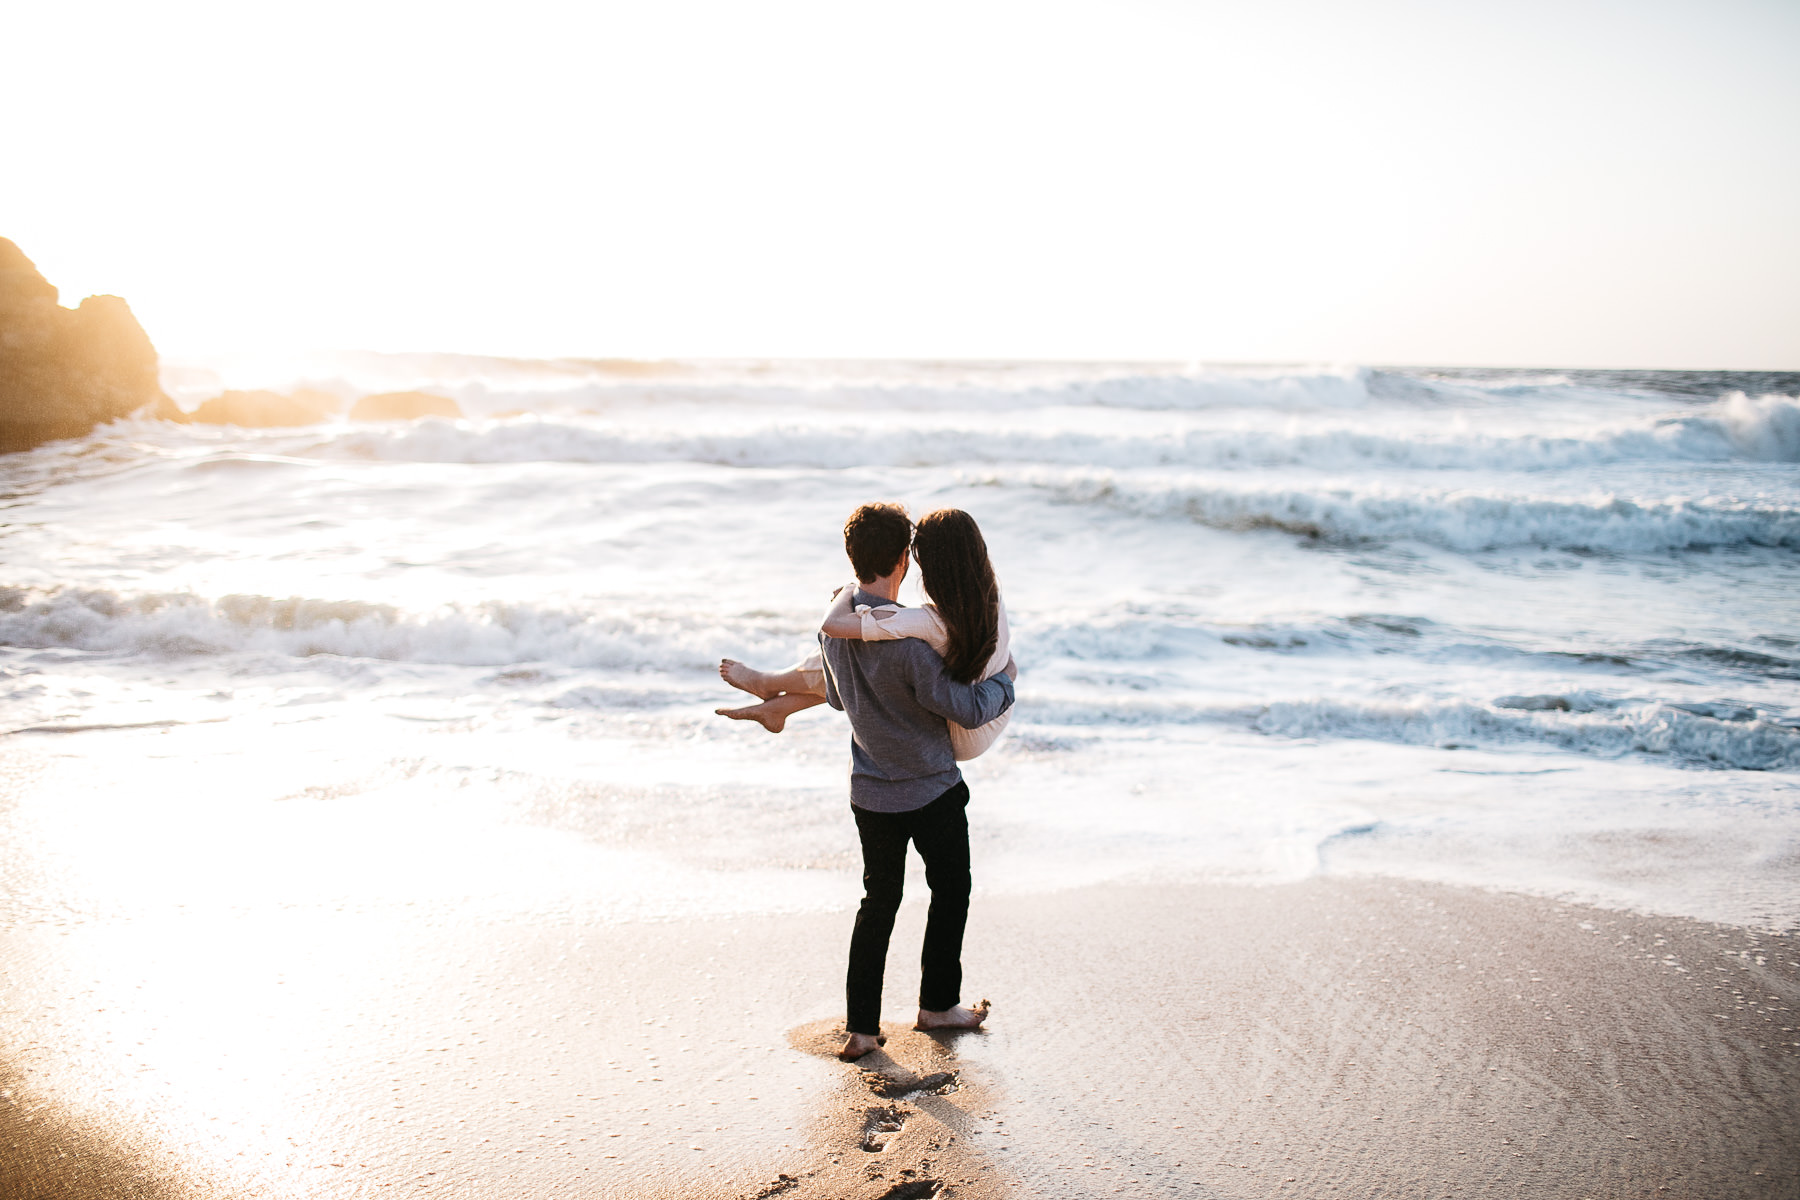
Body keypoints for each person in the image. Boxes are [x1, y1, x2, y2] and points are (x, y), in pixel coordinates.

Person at [775, 502, 1017, 1061]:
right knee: (950, 892)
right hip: (932, 789)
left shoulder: (836, 637)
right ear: (904, 561)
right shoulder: (909, 643)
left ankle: (861, 1027)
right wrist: (1005, 685)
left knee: (877, 904)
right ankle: (937, 1005)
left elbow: (836, 696)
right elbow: (964, 707)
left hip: (871, 794)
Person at [715, 509, 1013, 761]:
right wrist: (1008, 674)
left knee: (870, 645)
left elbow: (833, 625)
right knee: (880, 640)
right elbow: (1005, 659)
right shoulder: (990, 596)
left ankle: (771, 684)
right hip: (994, 718)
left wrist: (847, 592)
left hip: (960, 733)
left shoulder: (927, 620)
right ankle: (780, 705)